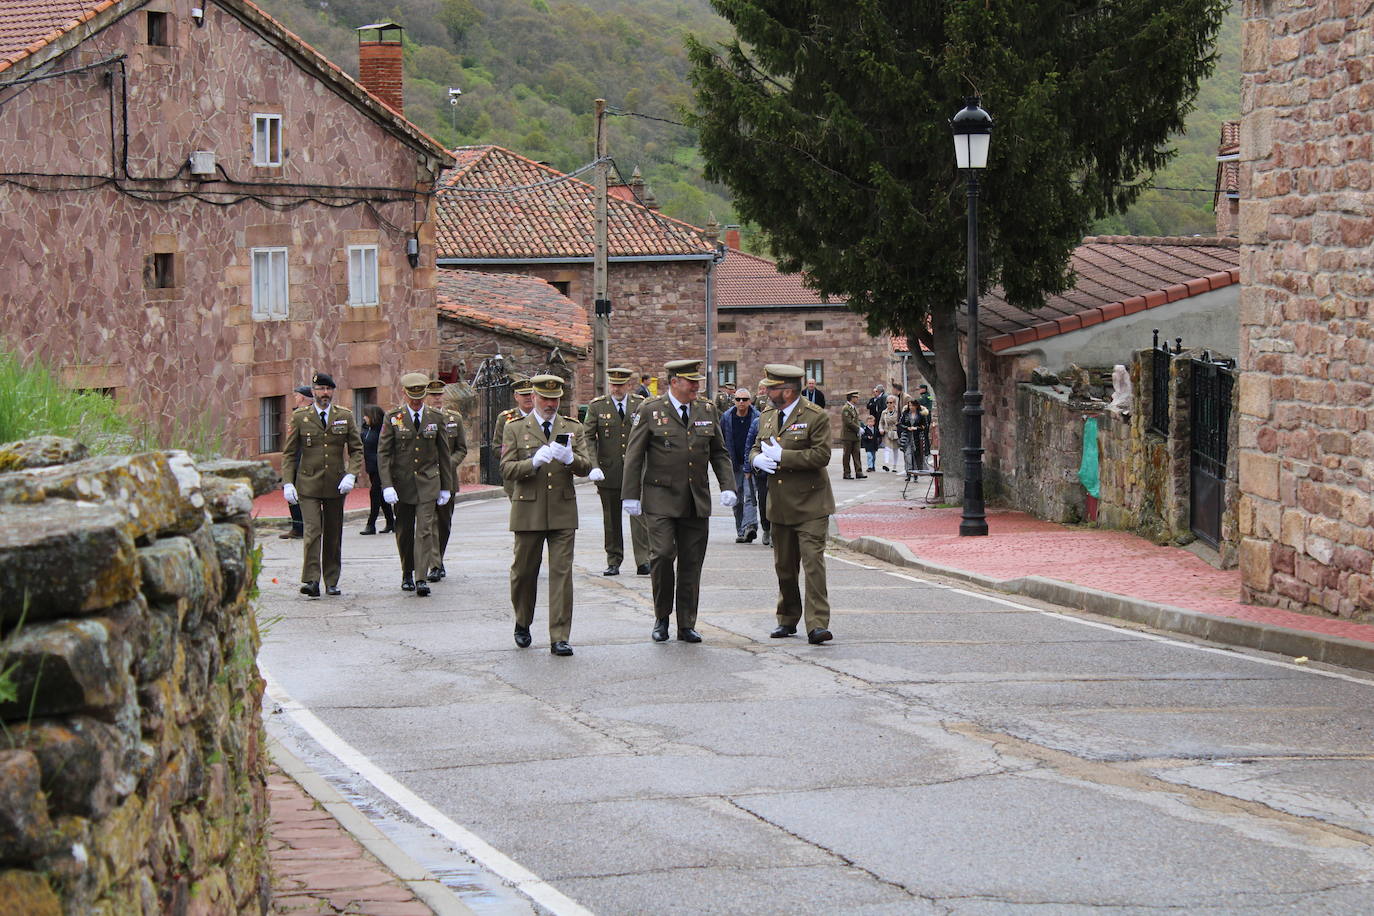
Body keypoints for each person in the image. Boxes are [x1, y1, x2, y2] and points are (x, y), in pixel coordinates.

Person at [622, 358, 736, 643]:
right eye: (691, 381)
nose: (697, 386)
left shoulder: (706, 410)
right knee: (661, 555)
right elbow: (634, 455)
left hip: (695, 499)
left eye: (697, 381)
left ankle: (686, 623)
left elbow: (719, 452)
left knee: (691, 562)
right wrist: (629, 495)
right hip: (660, 497)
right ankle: (662, 617)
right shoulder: (650, 410)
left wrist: (727, 485)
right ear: (674, 383)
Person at [500, 374, 593, 656]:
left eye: (555, 399)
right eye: (545, 399)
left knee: (561, 574)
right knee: (524, 572)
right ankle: (523, 620)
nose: (550, 404)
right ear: (535, 398)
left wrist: (570, 459)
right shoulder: (515, 428)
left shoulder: (572, 427)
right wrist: (532, 463)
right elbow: (506, 469)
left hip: (563, 510)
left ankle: (559, 636)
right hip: (528, 509)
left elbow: (587, 465)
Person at [749, 364, 835, 644]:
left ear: (786, 390)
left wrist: (784, 456)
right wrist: (755, 459)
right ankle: (787, 618)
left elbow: (821, 456)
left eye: (771, 388)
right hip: (780, 504)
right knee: (784, 567)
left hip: (811, 504)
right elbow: (755, 446)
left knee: (813, 565)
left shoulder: (815, 416)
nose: (766, 392)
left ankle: (817, 624)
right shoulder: (768, 415)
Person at [281, 372, 363, 597]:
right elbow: (289, 453)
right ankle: (311, 579)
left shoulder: (344, 416)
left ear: (332, 392)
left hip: (336, 484)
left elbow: (356, 450)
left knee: (333, 533)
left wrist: (351, 474)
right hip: (308, 484)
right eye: (320, 390)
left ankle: (332, 579)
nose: (325, 394)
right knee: (312, 531)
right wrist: (288, 483)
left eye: (328, 390)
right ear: (313, 392)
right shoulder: (300, 417)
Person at [378, 372, 454, 597]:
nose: (417, 401)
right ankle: (407, 573)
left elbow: (444, 453)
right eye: (413, 396)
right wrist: (386, 485)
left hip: (428, 482)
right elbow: (383, 454)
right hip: (402, 484)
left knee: (424, 530)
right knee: (404, 530)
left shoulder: (436, 417)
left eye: (420, 396)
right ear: (404, 393)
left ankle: (421, 578)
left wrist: (445, 486)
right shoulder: (393, 417)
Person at [583, 367, 651, 576]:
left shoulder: (640, 404)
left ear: (628, 385)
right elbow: (588, 437)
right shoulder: (597, 406)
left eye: (620, 385)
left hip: (636, 471)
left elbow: (649, 436)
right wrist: (593, 465)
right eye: (613, 384)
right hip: (608, 471)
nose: (616, 388)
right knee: (611, 519)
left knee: (639, 516)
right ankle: (613, 560)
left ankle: (643, 560)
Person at [427, 379, 468, 580]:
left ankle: (438, 558)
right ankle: (434, 564)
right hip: (424, 478)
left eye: (439, 394)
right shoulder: (421, 417)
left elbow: (461, 448)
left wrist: (448, 463)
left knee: (443, 523)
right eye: (432, 394)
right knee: (428, 522)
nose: (436, 398)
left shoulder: (454, 418)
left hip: (447, 479)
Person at [721, 387, 760, 543]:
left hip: (751, 464)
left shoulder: (757, 417)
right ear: (734, 401)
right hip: (734, 463)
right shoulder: (726, 417)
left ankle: (750, 527)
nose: (741, 402)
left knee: (750, 495)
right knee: (737, 499)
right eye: (738, 399)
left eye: (744, 399)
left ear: (750, 401)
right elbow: (721, 440)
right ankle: (741, 529)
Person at [279, 385, 315, 540]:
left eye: (296, 396)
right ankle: (300, 525)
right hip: (298, 457)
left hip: (302, 457)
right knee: (293, 492)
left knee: (300, 493)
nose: (295, 398)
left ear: (301, 397)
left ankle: (300, 526)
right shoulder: (302, 413)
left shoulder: (304, 414)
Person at [494, 377, 534, 498]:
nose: (528, 397)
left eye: (530, 394)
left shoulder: (544, 417)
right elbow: (497, 448)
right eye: (523, 394)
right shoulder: (505, 418)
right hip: (516, 477)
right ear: (516, 397)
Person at [359, 404, 395, 535]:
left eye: (366, 415)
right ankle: (391, 522)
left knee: (374, 493)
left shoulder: (382, 430)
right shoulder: (367, 429)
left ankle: (371, 524)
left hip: (381, 466)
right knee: (380, 495)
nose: (364, 418)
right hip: (371, 467)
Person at [753, 379, 775, 546]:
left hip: (781, 468)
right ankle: (766, 528)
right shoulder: (760, 419)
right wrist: (755, 459)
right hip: (763, 470)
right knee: (763, 500)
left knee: (778, 502)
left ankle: (776, 532)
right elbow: (752, 445)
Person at [840, 390, 866, 479]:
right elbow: (848, 422)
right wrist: (858, 428)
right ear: (852, 398)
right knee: (847, 455)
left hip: (855, 435)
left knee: (857, 454)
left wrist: (861, 426)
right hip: (848, 435)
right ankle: (846, 473)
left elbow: (856, 420)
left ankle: (859, 472)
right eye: (856, 397)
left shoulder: (853, 408)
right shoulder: (846, 408)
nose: (857, 399)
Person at [881, 395, 901, 472]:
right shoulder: (884, 412)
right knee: (887, 448)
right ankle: (886, 464)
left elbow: (901, 421)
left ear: (894, 403)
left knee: (895, 449)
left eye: (891, 402)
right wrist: (881, 428)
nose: (889, 404)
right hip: (887, 432)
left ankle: (894, 466)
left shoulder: (898, 412)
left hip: (895, 432)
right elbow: (881, 422)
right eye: (887, 402)